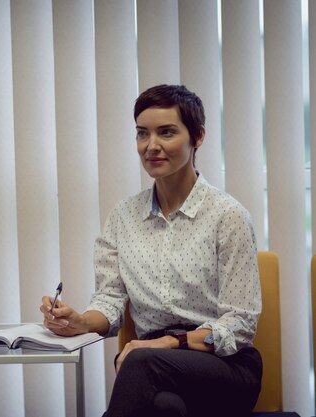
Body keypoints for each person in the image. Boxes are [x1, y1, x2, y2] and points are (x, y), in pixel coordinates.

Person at [41, 84, 262, 417]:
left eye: (167, 132)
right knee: (164, 408)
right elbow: (110, 301)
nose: (151, 146)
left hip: (223, 366)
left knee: (140, 361)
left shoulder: (228, 216)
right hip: (150, 363)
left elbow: (241, 323)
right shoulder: (123, 217)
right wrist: (80, 321)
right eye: (142, 134)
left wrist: (172, 342)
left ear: (197, 137)